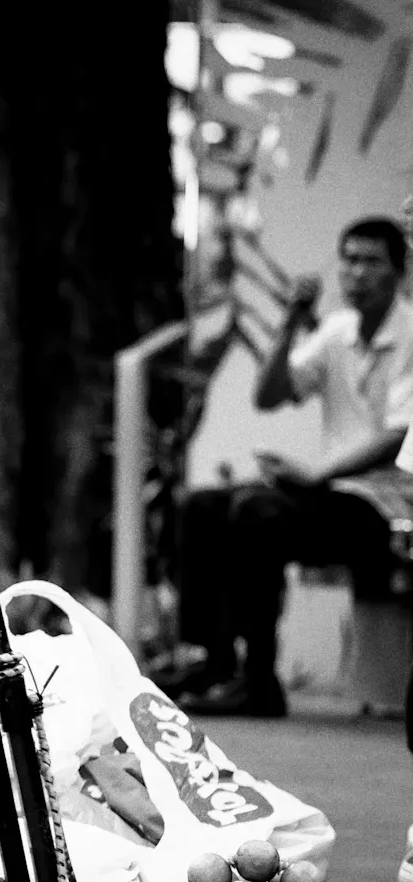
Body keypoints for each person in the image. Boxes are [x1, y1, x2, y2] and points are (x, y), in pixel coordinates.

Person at [171, 217, 413, 720]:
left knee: (257, 512)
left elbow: (397, 436)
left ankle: (259, 680)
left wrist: (315, 476)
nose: (356, 272)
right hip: (335, 494)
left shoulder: (410, 334)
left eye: (371, 261)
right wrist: (290, 320)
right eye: (349, 259)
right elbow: (267, 395)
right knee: (202, 506)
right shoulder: (337, 331)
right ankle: (212, 662)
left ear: (399, 272)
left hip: (389, 503)